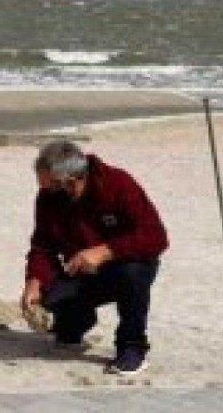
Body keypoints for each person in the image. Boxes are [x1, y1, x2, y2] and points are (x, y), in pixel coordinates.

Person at [21, 140, 168, 375]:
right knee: (49, 297)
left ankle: (132, 348)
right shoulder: (48, 198)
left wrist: (105, 251)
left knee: (133, 275)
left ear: (70, 182)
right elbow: (42, 245)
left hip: (125, 265)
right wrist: (34, 280)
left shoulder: (118, 184)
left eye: (49, 186)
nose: (44, 191)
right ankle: (75, 325)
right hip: (79, 269)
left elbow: (156, 237)